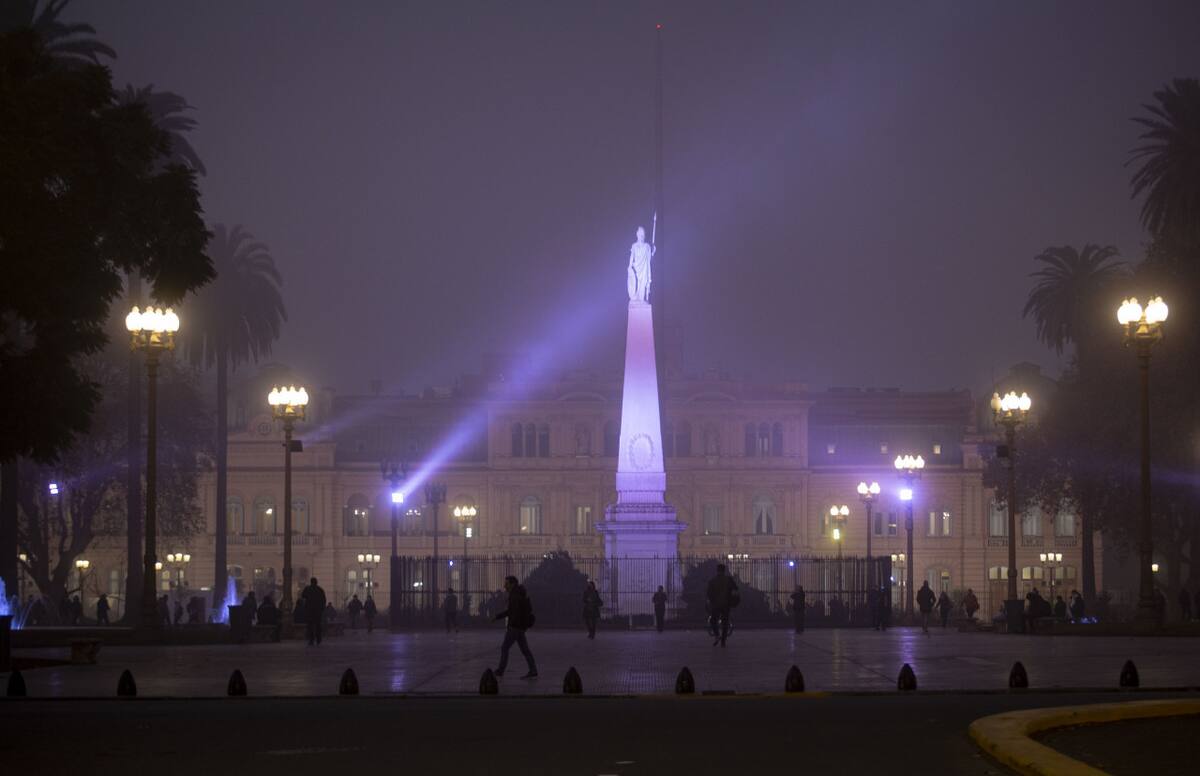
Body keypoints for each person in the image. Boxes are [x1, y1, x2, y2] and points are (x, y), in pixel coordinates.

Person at [493, 575, 537, 679]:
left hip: (515, 627)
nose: (505, 586)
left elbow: (513, 612)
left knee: (505, 648)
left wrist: (511, 625)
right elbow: (513, 611)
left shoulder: (515, 596)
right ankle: (533, 670)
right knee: (525, 650)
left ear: (512, 584)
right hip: (520, 627)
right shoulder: (519, 593)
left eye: (507, 583)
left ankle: (500, 670)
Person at [706, 564, 738, 647]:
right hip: (726, 604)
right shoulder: (728, 580)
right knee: (725, 623)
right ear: (724, 571)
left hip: (716, 605)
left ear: (717, 570)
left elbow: (709, 593)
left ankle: (717, 635)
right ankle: (723, 641)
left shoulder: (713, 581)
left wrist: (711, 601)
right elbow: (735, 589)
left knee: (713, 621)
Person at [301, 577, 327, 646]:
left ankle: (311, 640)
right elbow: (324, 600)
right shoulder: (320, 589)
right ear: (316, 582)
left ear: (311, 582)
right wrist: (322, 608)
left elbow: (303, 596)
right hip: (318, 611)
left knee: (310, 625)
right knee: (318, 625)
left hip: (310, 610)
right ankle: (318, 639)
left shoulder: (307, 589)